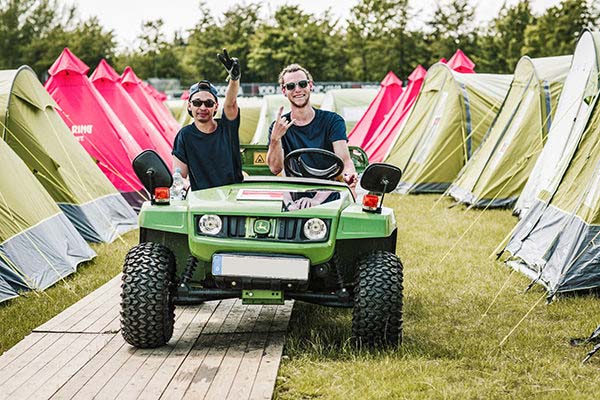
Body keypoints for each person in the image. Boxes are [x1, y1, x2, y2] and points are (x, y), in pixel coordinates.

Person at [266, 63, 358, 194]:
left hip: (329, 194)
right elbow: (275, 169)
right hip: (295, 196)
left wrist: (348, 175)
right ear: (284, 91)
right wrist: (275, 139)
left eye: (302, 84)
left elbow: (344, 160)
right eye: (291, 86)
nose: (297, 90)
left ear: (310, 85)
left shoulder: (332, 121)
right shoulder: (279, 127)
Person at [172, 49, 243, 191]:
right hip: (201, 200)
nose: (203, 107)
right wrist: (189, 187)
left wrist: (234, 78)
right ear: (189, 105)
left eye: (209, 103)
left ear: (216, 106)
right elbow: (179, 176)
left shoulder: (227, 127)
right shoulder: (185, 135)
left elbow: (230, 103)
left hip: (232, 197)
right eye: (197, 103)